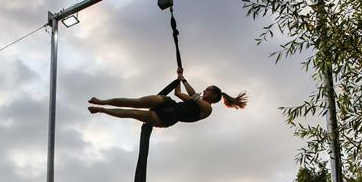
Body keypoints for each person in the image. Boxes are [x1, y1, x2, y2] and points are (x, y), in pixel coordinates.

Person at [87, 68, 246, 127]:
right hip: (169, 103)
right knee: (135, 102)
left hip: (169, 117)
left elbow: (193, 94)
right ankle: (103, 101)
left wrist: (183, 79)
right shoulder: (195, 100)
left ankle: (101, 110)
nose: (205, 90)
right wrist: (178, 78)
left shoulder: (207, 108)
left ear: (214, 95)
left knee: (131, 113)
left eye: (208, 89)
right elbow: (178, 93)